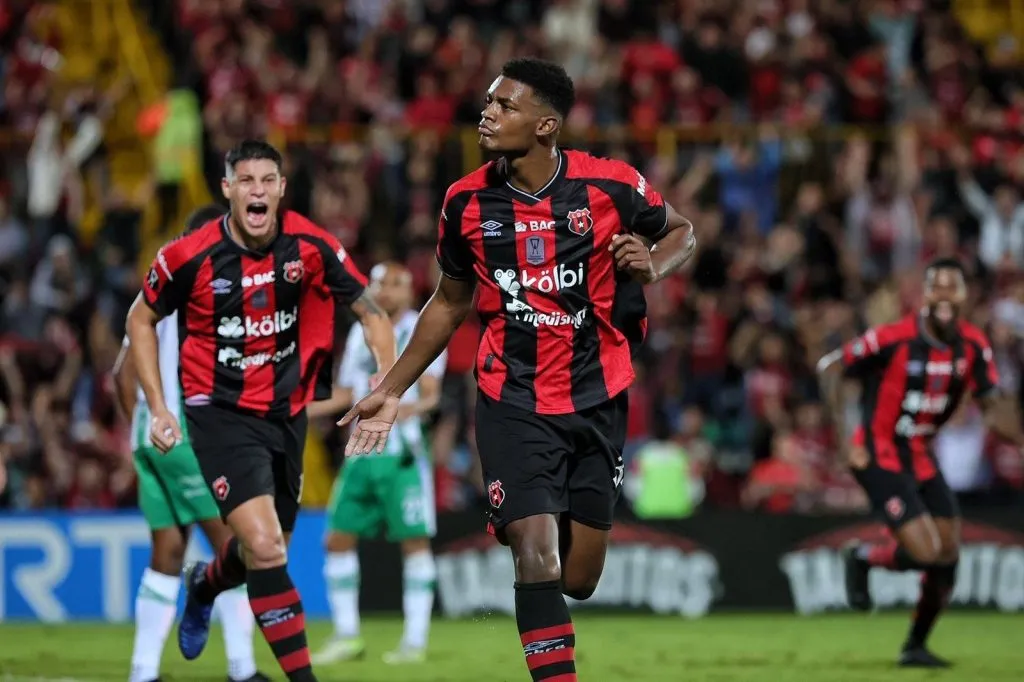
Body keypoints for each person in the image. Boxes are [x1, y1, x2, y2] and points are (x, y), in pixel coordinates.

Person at [341, 58, 697, 682]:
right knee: (536, 559)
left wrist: (654, 264)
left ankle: (532, 504)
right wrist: (390, 389)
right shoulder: (465, 201)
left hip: (597, 396)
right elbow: (449, 302)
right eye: (489, 102)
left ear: (545, 125)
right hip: (511, 398)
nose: (488, 113)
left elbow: (681, 231)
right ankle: (525, 514)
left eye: (505, 106)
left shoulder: (611, 187)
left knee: (579, 578)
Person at [125, 140, 396, 682]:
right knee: (268, 548)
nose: (257, 191)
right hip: (218, 413)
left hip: (285, 414)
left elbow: (372, 315)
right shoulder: (189, 255)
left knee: (259, 556)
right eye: (246, 180)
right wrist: (158, 406)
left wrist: (384, 390)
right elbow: (139, 320)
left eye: (267, 180)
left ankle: (204, 582)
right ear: (227, 189)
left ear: (281, 189)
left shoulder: (311, 245)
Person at [816, 257, 1024, 668]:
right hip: (877, 453)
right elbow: (830, 368)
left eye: (953, 286)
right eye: (937, 286)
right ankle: (862, 558)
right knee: (927, 551)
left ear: (966, 296)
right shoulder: (894, 337)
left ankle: (915, 646)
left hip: (921, 456)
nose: (945, 295)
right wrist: (843, 440)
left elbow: (993, 409)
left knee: (948, 554)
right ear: (925, 295)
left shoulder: (974, 346)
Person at [116, 203, 268, 682]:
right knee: (240, 549)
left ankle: (142, 672)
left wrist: (145, 423)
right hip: (187, 435)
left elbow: (120, 375)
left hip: (151, 437)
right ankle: (242, 670)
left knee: (166, 553)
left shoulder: (156, 291)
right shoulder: (206, 293)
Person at [309, 262, 445, 666]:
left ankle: (415, 641)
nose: (384, 290)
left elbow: (434, 395)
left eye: (395, 284)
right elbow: (347, 393)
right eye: (378, 283)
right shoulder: (359, 331)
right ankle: (348, 635)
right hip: (360, 454)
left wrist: (408, 408)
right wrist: (301, 409)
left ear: (410, 291)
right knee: (336, 539)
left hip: (403, 455)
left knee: (414, 543)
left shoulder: (425, 331)